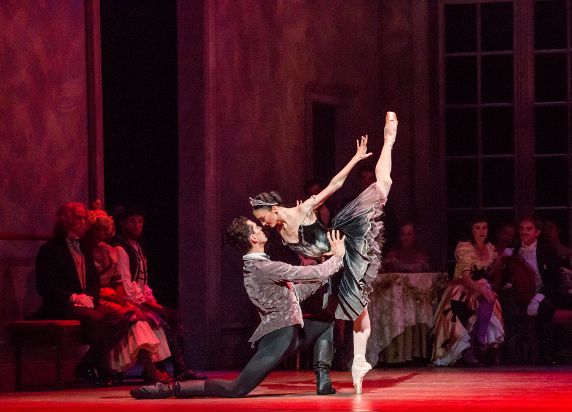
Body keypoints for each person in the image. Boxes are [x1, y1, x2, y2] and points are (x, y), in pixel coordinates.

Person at [249, 112, 397, 393]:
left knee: (383, 187)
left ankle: (389, 139)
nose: (261, 222)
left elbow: (335, 186)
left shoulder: (302, 210)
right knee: (345, 310)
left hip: (343, 243)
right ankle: (346, 366)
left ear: (274, 208)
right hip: (327, 269)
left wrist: (355, 159)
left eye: (262, 216)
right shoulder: (279, 232)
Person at [130, 217, 346, 399]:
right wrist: (337, 256)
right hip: (280, 337)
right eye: (256, 228)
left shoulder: (259, 265)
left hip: (290, 332)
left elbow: (295, 294)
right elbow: (313, 275)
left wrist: (320, 269)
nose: (262, 228)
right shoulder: (263, 267)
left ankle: (323, 380)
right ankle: (167, 390)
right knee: (236, 389)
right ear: (253, 238)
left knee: (325, 323)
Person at [34, 202, 131, 387]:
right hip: (60, 306)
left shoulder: (84, 247)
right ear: (66, 220)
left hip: (85, 305)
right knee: (95, 319)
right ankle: (103, 373)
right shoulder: (50, 249)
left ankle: (86, 364)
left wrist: (91, 299)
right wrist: (72, 297)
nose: (82, 221)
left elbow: (94, 279)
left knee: (122, 318)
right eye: (78, 217)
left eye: (83, 217)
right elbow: (44, 286)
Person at [85, 206, 172, 383]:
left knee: (140, 316)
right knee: (135, 317)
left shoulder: (111, 252)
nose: (100, 234)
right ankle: (150, 370)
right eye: (97, 230)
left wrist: (122, 300)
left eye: (104, 230)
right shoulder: (85, 251)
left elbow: (118, 283)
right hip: (95, 297)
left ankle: (151, 368)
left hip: (112, 296)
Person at [111, 206, 197, 381]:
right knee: (163, 318)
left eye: (140, 221)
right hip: (129, 300)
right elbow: (126, 285)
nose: (136, 225)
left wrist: (151, 300)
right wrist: (144, 302)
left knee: (171, 315)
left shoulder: (139, 249)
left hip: (140, 298)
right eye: (132, 221)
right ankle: (168, 367)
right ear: (123, 224)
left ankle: (175, 367)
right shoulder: (121, 249)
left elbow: (143, 283)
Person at [510, 215, 572, 364]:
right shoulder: (514, 252)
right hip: (529, 297)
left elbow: (554, 281)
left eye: (528, 229)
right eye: (522, 229)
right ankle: (546, 357)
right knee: (546, 307)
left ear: (537, 232)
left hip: (548, 294)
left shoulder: (547, 251)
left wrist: (540, 296)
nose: (524, 232)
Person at [431, 213, 504, 366]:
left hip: (478, 286)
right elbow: (466, 278)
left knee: (491, 299)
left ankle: (482, 341)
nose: (482, 231)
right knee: (467, 308)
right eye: (477, 228)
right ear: (471, 231)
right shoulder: (466, 248)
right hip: (462, 288)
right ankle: (465, 350)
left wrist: (498, 264)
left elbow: (487, 272)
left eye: (484, 227)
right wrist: (483, 290)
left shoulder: (489, 249)